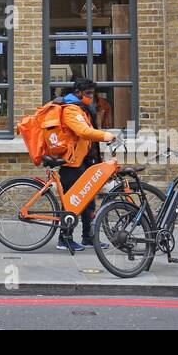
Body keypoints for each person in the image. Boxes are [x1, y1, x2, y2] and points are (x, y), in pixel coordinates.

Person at [55, 78, 116, 253]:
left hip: (85, 161)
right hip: (72, 163)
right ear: (78, 93)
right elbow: (82, 131)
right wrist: (105, 135)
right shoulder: (70, 109)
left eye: (92, 93)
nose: (91, 97)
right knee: (73, 202)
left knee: (88, 201)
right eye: (88, 93)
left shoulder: (81, 108)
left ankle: (88, 237)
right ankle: (64, 239)